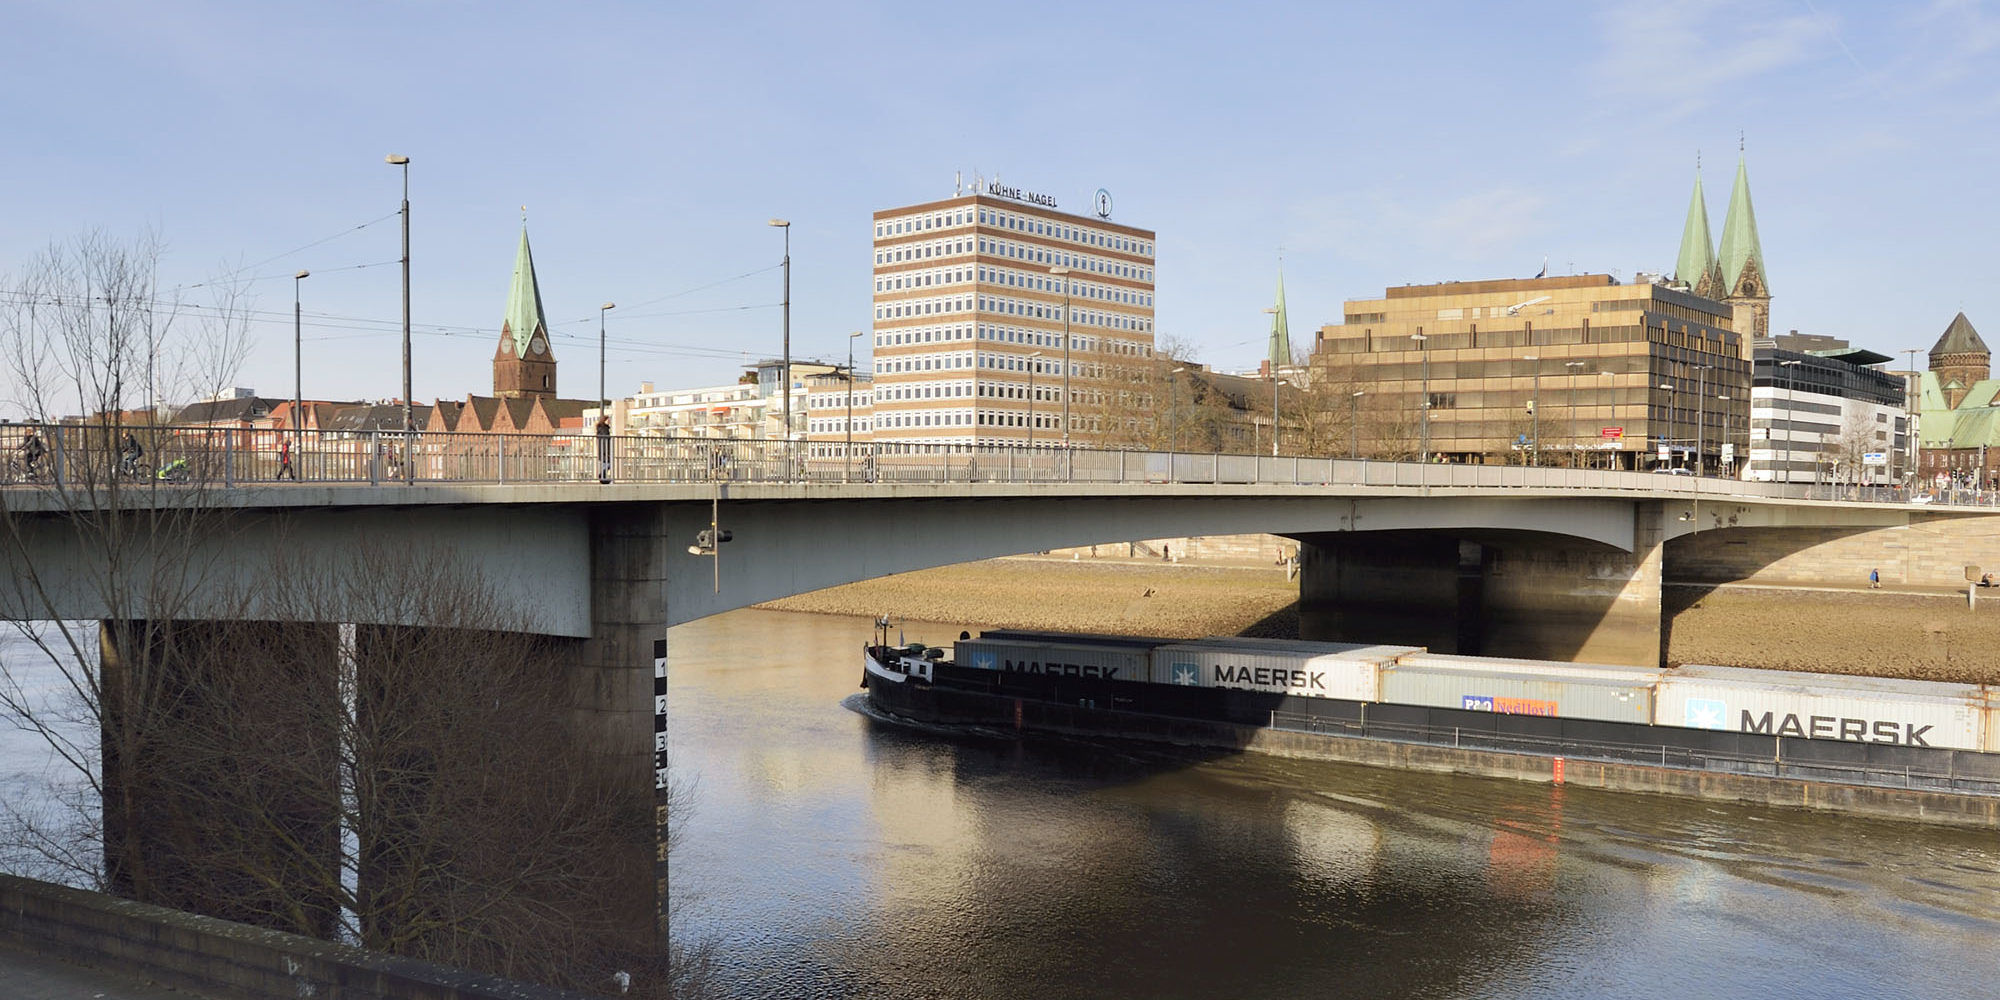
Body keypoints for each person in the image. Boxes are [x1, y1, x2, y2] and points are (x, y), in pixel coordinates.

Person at [595, 416, 613, 484]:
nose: (610, 421)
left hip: (603, 450)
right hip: (605, 450)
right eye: (608, 420)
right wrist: (607, 451)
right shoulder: (604, 429)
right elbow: (605, 440)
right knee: (608, 464)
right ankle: (602, 477)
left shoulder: (601, 428)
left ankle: (603, 477)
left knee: (606, 464)